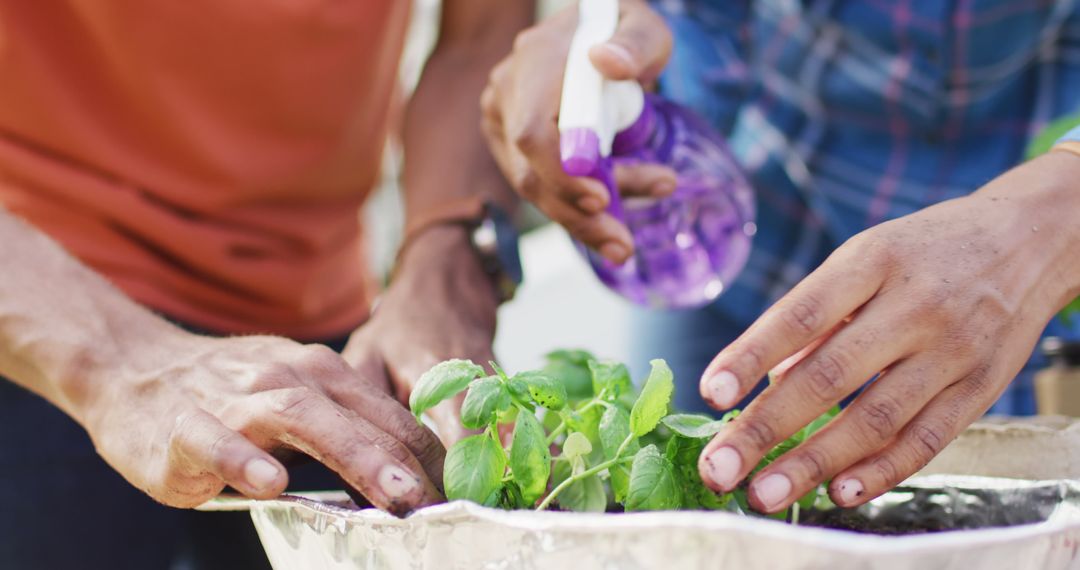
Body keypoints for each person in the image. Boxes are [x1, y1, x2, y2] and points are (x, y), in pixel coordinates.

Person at [482, 0, 1080, 517]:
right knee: (686, 493)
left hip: (1013, 238)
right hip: (746, 225)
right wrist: (614, 42)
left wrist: (1051, 223)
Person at [0, 1, 531, 567]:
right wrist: (115, 359)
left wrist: (444, 253)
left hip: (323, 352)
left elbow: (483, 30)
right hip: (49, 322)